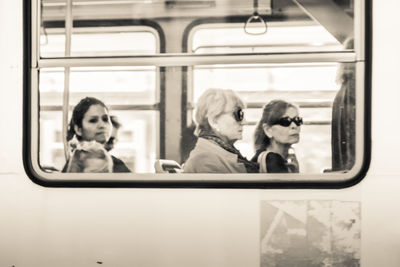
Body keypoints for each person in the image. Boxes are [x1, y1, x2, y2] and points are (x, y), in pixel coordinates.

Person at [183, 88, 259, 173]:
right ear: (214, 121)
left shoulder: (219, 154)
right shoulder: (206, 161)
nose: (245, 122)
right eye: (238, 114)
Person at [62, 97, 131, 173]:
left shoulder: (118, 165)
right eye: (93, 121)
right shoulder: (73, 166)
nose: (102, 125)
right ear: (78, 129)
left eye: (105, 119)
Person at [252, 100, 302, 173]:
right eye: (285, 121)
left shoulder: (280, 159)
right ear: (268, 130)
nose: (294, 126)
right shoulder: (272, 160)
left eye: (297, 120)